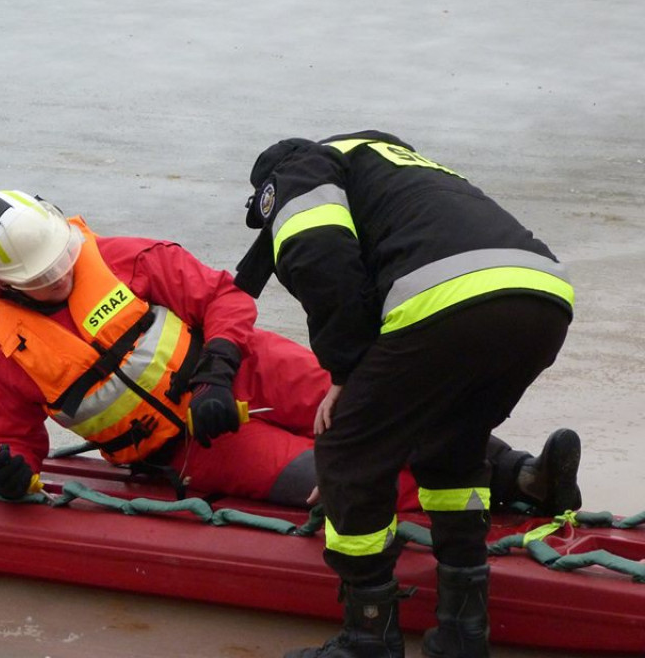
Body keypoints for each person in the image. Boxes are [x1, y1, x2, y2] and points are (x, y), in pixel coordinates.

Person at [0, 189, 579, 527]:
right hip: (194, 450)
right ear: (1, 280)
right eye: (45, 277)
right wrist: (11, 471)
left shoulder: (124, 258)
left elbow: (224, 297)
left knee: (382, 410)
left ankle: (523, 474)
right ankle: (461, 501)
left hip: (249, 367)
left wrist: (217, 372)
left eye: (65, 261)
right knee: (339, 476)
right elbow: (10, 437)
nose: (62, 276)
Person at [235, 131, 575, 658]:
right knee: (452, 448)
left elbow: (319, 259)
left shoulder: (299, 170)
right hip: (543, 296)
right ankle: (463, 633)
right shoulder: (385, 160)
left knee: (349, 454)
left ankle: (367, 639)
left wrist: (346, 370)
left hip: (448, 295)